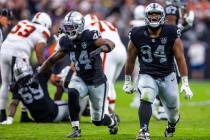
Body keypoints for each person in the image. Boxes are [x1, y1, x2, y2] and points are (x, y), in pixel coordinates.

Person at [36, 11, 119, 138]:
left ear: (80, 26)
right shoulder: (66, 41)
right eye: (67, 27)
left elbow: (111, 44)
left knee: (97, 121)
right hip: (80, 78)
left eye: (71, 27)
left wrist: (102, 49)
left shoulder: (90, 36)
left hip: (97, 81)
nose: (68, 30)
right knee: (72, 92)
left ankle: (112, 121)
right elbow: (53, 59)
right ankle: (76, 129)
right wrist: (41, 70)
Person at [123, 3, 193, 140]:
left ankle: (171, 125)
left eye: (157, 14)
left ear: (163, 17)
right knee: (146, 96)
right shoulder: (137, 34)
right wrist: (127, 80)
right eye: (151, 14)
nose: (154, 17)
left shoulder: (171, 32)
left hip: (168, 76)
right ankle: (144, 130)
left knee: (173, 113)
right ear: (146, 16)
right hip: (147, 74)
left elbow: (180, 58)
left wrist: (185, 82)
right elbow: (130, 59)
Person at [0, 12, 52, 122]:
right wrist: (45, 67)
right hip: (18, 53)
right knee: (25, 83)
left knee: (5, 83)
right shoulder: (43, 30)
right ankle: (21, 116)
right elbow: (39, 53)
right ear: (46, 24)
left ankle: (2, 114)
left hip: (4, 50)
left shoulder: (23, 22)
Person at [0, 59, 69, 124]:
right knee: (70, 103)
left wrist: (9, 119)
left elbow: (14, 104)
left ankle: (65, 118)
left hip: (38, 119)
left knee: (55, 103)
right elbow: (52, 76)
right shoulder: (38, 76)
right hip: (53, 114)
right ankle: (74, 119)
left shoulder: (17, 87)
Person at [84, 14, 127, 115]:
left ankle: (106, 113)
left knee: (104, 83)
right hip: (121, 50)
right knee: (110, 83)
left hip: (109, 51)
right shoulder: (107, 23)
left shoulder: (90, 26)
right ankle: (110, 111)